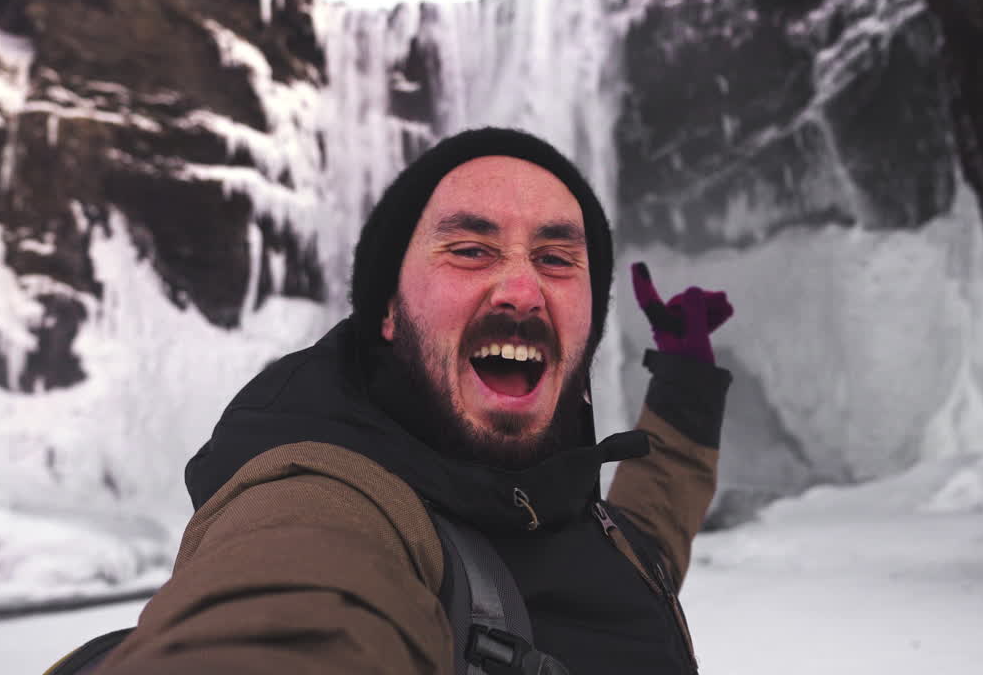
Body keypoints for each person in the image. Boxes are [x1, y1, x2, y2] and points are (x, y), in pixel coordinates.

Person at [94, 127, 734, 674]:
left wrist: (685, 377)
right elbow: (289, 600)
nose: (522, 289)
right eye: (471, 251)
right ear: (387, 312)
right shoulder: (327, 497)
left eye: (557, 258)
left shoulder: (565, 508)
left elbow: (643, 540)